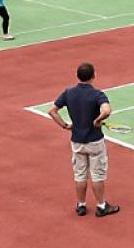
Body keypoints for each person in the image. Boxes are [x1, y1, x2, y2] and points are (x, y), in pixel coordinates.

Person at [48, 62, 119, 218]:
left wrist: (65, 125)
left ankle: (81, 205)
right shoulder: (97, 94)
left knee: (80, 175)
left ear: (77, 76)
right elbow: (107, 110)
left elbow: (52, 111)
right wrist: (97, 120)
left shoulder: (68, 93)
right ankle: (101, 206)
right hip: (95, 142)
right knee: (97, 175)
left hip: (77, 141)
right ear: (93, 76)